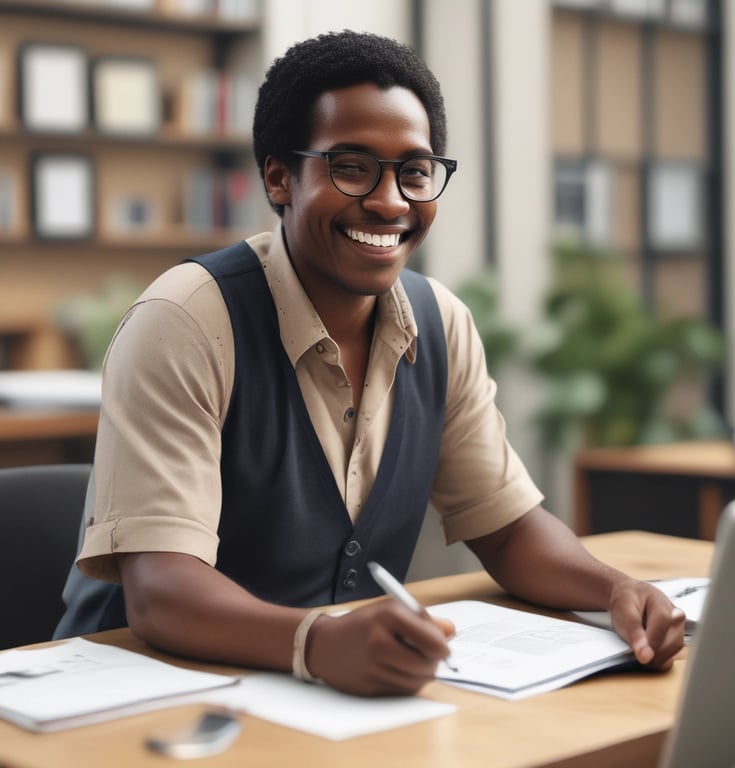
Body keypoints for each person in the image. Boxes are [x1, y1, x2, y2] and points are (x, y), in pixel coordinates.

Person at [55, 29, 685, 696]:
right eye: (352, 167)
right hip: (133, 698)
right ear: (279, 177)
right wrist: (318, 644)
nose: (390, 201)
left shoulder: (440, 324)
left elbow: (508, 531)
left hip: (330, 699)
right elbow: (160, 593)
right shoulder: (186, 321)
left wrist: (615, 591)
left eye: (415, 172)